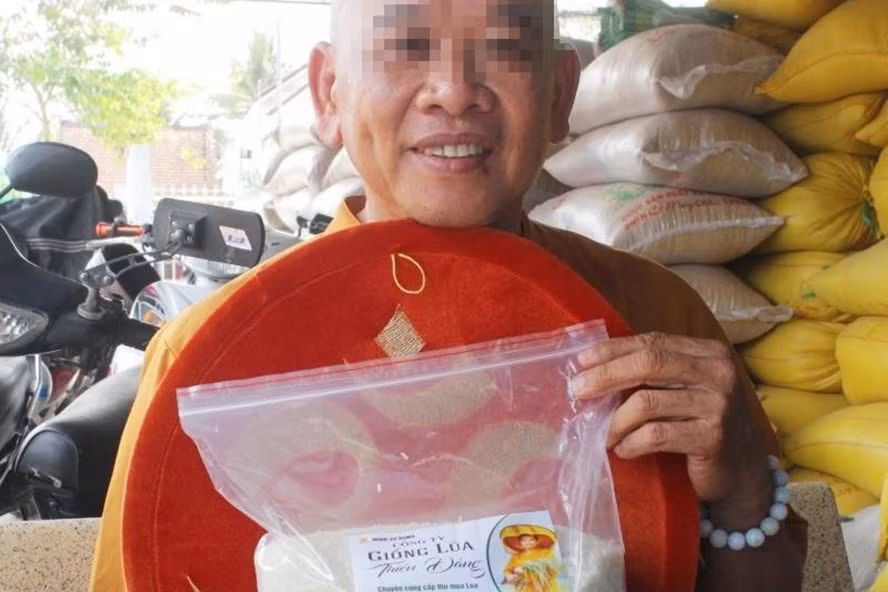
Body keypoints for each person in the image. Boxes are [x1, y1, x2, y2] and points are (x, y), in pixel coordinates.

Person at [89, 1, 807, 590]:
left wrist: (744, 488)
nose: (455, 91)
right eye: (405, 46)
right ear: (329, 92)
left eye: (503, 48)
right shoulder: (212, 360)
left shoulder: (655, 320)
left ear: (560, 93)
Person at [500, 527, 561, 591]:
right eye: (524, 540)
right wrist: (509, 575)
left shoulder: (547, 552)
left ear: (536, 541)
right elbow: (508, 569)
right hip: (526, 589)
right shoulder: (516, 556)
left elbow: (549, 567)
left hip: (546, 588)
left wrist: (525, 570)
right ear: (520, 542)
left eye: (531, 540)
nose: (528, 542)